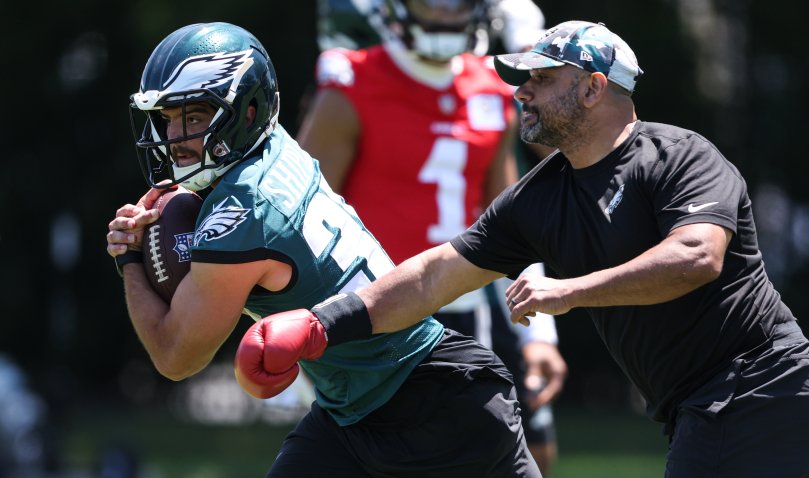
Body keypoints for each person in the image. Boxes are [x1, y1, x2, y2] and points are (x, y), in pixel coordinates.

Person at [241, 20, 809, 477]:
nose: (522, 92)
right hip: (719, 405)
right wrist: (320, 326)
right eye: (520, 80)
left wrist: (570, 290)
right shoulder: (539, 196)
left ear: (592, 88)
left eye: (541, 78)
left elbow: (696, 256)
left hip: (760, 390)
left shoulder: (680, 155)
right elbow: (433, 276)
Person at [106, 22, 541, 477]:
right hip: (359, 406)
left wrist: (130, 259)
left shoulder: (243, 213)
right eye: (168, 117)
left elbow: (176, 356)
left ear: (248, 111)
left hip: (432, 405)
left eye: (194, 116)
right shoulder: (274, 147)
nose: (175, 135)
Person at [299, 0, 565, 472]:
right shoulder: (352, 85)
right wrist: (315, 326)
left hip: (468, 309)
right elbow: (302, 222)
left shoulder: (492, 88)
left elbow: (511, 224)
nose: (447, 10)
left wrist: (539, 335)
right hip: (378, 312)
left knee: (527, 448)